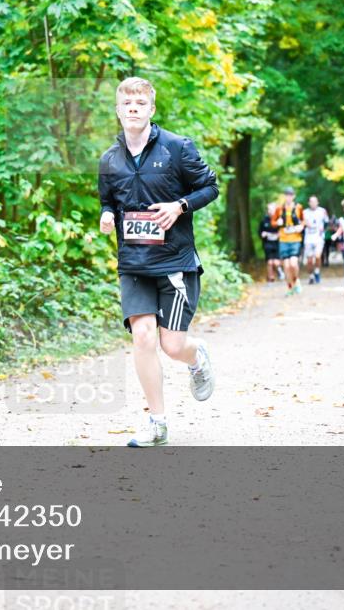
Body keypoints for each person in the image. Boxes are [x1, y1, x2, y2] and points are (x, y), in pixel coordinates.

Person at [98, 77, 219, 447]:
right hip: (133, 263)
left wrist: (179, 206)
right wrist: (106, 215)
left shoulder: (178, 148)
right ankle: (157, 422)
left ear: (151, 109)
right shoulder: (109, 159)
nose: (133, 107)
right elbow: (109, 200)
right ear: (118, 110)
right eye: (126, 102)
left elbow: (210, 186)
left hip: (174, 262)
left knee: (172, 345)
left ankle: (196, 356)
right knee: (144, 337)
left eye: (140, 102)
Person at [270, 186, 304, 296]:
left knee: (293, 264)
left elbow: (303, 221)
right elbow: (273, 222)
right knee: (286, 265)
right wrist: (277, 223)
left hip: (295, 239)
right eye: (286, 195)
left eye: (290, 195)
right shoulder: (279, 209)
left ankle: (296, 280)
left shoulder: (298, 208)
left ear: (293, 196)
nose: (288, 197)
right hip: (283, 239)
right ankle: (289, 287)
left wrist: (301, 227)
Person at [302, 195, 329, 284]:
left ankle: (317, 271)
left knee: (317, 256)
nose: (313, 203)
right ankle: (311, 276)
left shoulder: (322, 211)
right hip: (308, 238)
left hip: (318, 237)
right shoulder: (304, 212)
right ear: (309, 203)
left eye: (315, 201)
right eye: (311, 202)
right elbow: (301, 224)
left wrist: (323, 229)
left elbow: (327, 222)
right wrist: (305, 224)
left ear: (317, 202)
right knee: (309, 260)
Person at [259, 202, 282, 282]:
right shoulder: (264, 221)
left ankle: (279, 271)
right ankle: (271, 278)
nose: (271, 211)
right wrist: (263, 234)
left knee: (276, 262)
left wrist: (279, 234)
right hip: (267, 243)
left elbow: (282, 231)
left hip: (277, 243)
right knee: (269, 262)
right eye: (269, 209)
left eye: (272, 209)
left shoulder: (279, 220)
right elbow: (260, 232)